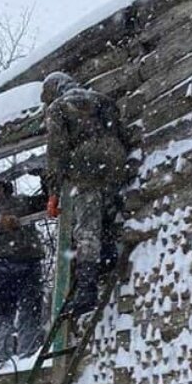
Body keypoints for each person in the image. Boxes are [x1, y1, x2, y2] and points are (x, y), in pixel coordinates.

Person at [41, 71, 130, 317]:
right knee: (107, 210)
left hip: (85, 162)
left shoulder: (58, 107)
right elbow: (120, 132)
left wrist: (53, 191)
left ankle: (87, 289)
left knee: (87, 225)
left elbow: (57, 150)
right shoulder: (100, 99)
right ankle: (109, 255)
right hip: (115, 159)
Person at [0, 178, 47, 363]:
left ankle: (28, 356)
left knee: (31, 310)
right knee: (2, 314)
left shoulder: (20, 202)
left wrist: (47, 180)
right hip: (1, 266)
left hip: (29, 263)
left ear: (5, 190)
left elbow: (43, 203)